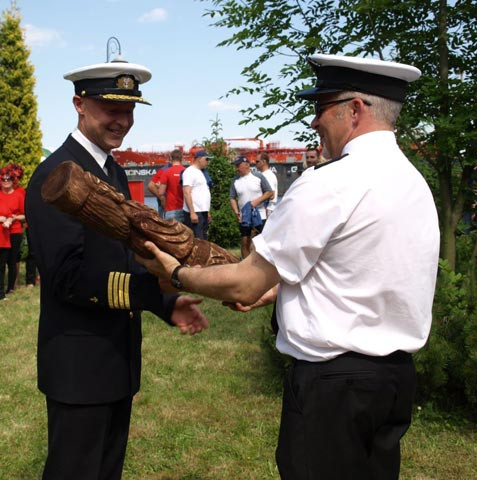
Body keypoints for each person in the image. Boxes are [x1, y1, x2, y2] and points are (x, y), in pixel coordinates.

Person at [137, 53, 440, 480]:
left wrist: (174, 274)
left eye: (322, 108)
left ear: (355, 109)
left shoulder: (330, 182)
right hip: (391, 382)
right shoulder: (412, 182)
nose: (315, 122)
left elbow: (243, 282)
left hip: (333, 388)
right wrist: (278, 293)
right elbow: (368, 272)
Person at [25, 56, 208, 479]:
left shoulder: (110, 171)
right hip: (80, 361)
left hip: (115, 357)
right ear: (79, 105)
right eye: (112, 109)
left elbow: (127, 256)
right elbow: (68, 278)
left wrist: (168, 303)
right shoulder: (57, 175)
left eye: (128, 110)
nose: (122, 121)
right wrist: (151, 295)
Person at [229, 156, 273, 259]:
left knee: (260, 243)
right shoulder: (235, 180)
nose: (236, 168)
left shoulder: (258, 176)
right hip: (244, 217)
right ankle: (245, 265)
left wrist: (256, 202)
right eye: (235, 166)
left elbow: (269, 192)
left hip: (260, 215)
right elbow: (232, 197)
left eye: (238, 165)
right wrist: (236, 212)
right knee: (245, 242)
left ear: (247, 164)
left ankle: (262, 264)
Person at [0, 166, 25, 293]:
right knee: (0, 261)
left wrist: (14, 218)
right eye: (3, 179)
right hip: (0, 232)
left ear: (13, 180)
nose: (6, 181)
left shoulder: (18, 195)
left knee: (12, 260)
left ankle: (11, 287)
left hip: (14, 231)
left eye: (8, 179)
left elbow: (25, 215)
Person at [182, 149, 212, 240]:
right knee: (197, 240)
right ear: (199, 159)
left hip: (202, 211)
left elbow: (202, 193)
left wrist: (207, 212)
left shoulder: (201, 172)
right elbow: (187, 192)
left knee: (204, 238)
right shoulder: (189, 172)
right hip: (195, 212)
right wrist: (192, 213)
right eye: (206, 159)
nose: (208, 162)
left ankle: (203, 255)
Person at [158, 149, 186, 222]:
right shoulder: (186, 171)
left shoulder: (166, 172)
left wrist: (164, 204)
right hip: (186, 210)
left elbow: (161, 192)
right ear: (182, 158)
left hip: (171, 210)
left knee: (171, 233)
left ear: (171, 158)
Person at [256, 153, 278, 217]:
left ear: (264, 162)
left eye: (257, 161)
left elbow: (271, 195)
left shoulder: (268, 175)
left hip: (267, 209)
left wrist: (255, 201)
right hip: (262, 209)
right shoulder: (262, 174)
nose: (255, 163)